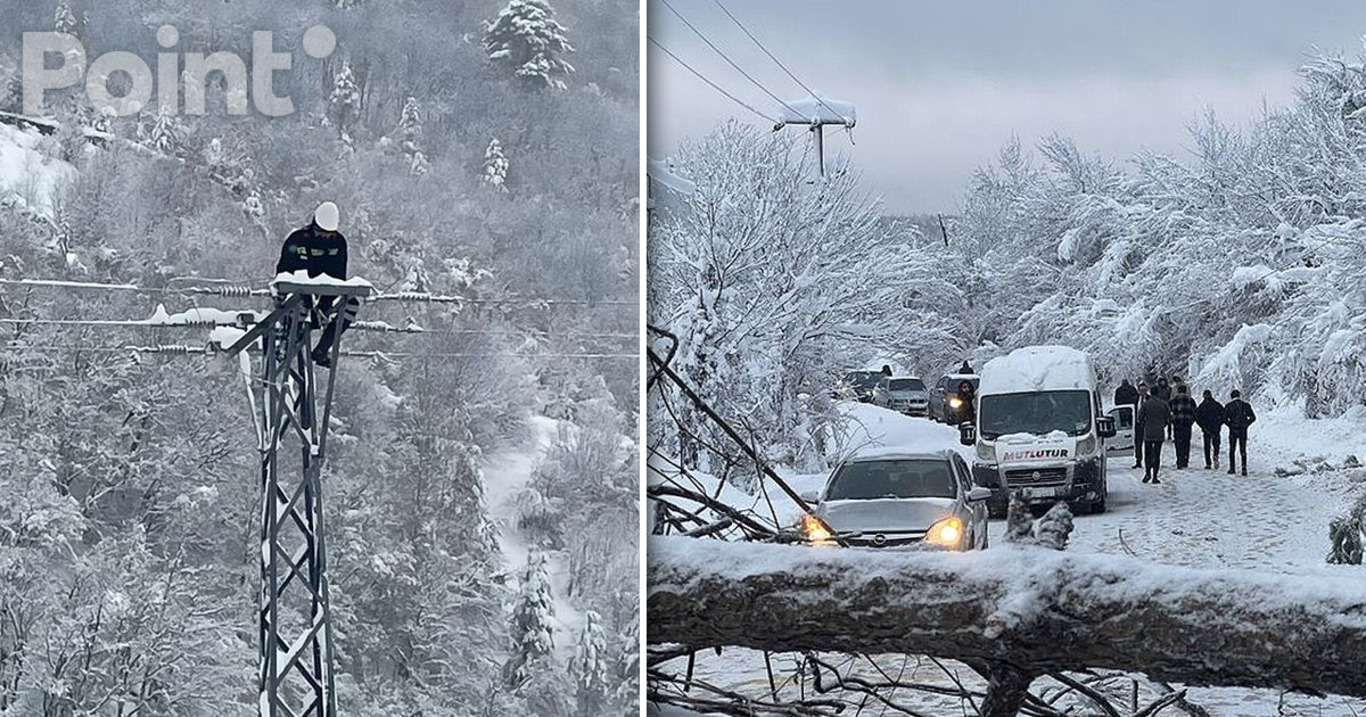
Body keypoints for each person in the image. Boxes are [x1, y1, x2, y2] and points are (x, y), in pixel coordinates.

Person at [276, 201, 357, 368]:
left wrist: (325, 304)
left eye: (329, 234)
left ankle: (322, 348)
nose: (325, 238)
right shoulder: (298, 240)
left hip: (325, 293)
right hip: (297, 293)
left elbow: (338, 277)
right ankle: (289, 341)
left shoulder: (338, 243)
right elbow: (284, 271)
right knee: (300, 303)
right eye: (322, 233)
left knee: (351, 305)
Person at [1136, 388, 1171, 483]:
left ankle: (1147, 473)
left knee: (1148, 453)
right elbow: (1169, 417)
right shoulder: (1163, 404)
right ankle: (1155, 476)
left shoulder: (1146, 404)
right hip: (1159, 432)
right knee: (1157, 454)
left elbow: (1139, 418)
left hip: (1148, 432)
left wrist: (1145, 425)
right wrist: (1163, 424)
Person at [1224, 390, 1257, 476]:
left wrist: (1230, 425)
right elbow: (1253, 417)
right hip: (1243, 430)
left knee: (1232, 449)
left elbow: (1224, 419)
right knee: (1243, 449)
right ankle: (1244, 468)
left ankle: (1232, 468)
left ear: (1231, 397)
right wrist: (1246, 424)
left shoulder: (1228, 406)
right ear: (1239, 396)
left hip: (1233, 430)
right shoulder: (1246, 405)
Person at [1195, 390, 1226, 469]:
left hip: (1206, 429)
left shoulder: (1202, 406)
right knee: (1216, 444)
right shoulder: (1217, 405)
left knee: (1207, 446)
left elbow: (1197, 417)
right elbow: (1224, 415)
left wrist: (1202, 426)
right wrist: (1219, 423)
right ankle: (1216, 455)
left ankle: (1208, 463)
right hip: (1216, 428)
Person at [1168, 384, 1197, 469]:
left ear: (1178, 391)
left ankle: (1179, 460)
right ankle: (1185, 460)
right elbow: (1195, 412)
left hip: (1177, 424)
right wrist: (1191, 421)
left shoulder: (1173, 401)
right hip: (1187, 424)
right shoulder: (1191, 400)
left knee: (1178, 442)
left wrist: (1172, 421)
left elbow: (1169, 412)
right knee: (1186, 442)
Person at [1132, 381, 1149, 469]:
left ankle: (1148, 461)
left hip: (1147, 424)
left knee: (1148, 443)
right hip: (1137, 423)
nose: (1142, 392)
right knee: (1138, 443)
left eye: (1144, 390)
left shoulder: (1150, 399)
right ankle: (1138, 460)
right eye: (1141, 390)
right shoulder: (1134, 399)